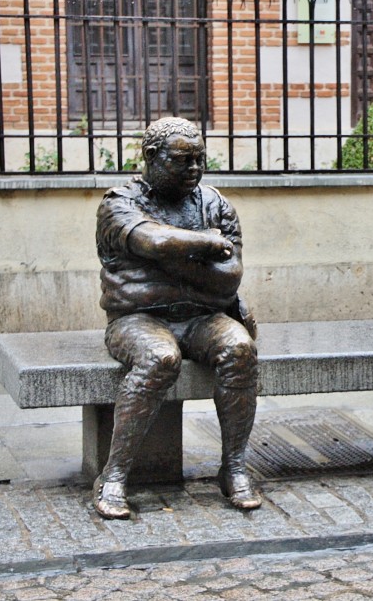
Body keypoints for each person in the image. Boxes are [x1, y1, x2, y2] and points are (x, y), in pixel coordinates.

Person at [93, 116, 261, 519]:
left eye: (200, 160)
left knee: (240, 347)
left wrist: (167, 263)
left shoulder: (214, 204)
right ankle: (113, 477)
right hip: (136, 319)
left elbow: (229, 280)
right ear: (152, 156)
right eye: (183, 161)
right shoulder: (120, 203)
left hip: (202, 318)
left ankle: (234, 467)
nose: (195, 170)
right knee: (160, 358)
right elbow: (152, 239)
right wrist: (206, 245)